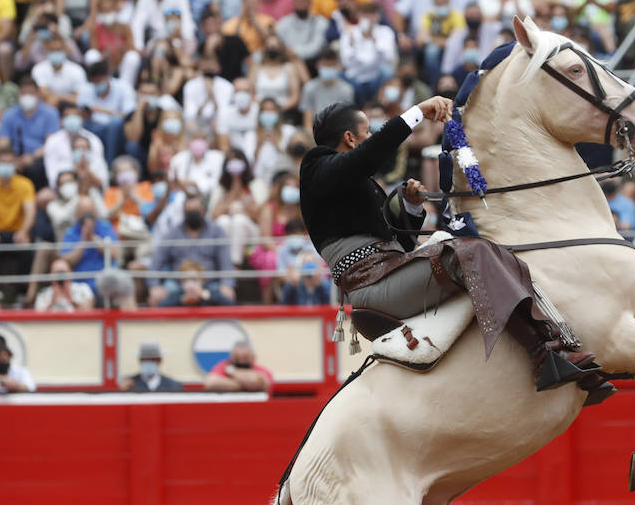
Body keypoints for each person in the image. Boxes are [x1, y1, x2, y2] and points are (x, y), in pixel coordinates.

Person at [301, 98, 610, 400]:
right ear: (350, 138)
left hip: (388, 272)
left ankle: (561, 343)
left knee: (485, 248)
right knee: (470, 254)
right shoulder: (316, 166)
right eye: (367, 132)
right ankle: (542, 355)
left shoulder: (349, 182)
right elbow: (367, 158)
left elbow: (402, 242)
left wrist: (408, 204)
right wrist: (418, 112)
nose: (370, 137)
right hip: (373, 285)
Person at [148, 193, 234, 306]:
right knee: (157, 298)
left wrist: (227, 284)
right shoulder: (172, 233)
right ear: (184, 212)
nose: (193, 214)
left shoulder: (217, 231)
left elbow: (226, 263)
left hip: (209, 284)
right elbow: (155, 263)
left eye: (196, 211)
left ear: (203, 211)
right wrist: (154, 286)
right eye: (189, 211)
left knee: (226, 296)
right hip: (177, 286)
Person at [0, 145, 37, 298]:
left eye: (9, 162)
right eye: (2, 162)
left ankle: (21, 291)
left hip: (18, 231)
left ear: (15, 164)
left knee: (25, 247)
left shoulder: (25, 184)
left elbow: (30, 212)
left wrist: (23, 231)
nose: (6, 166)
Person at [204, 339, 273, 393]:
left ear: (253, 357)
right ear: (231, 358)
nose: (241, 361)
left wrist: (232, 371)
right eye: (237, 358)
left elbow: (256, 383)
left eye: (245, 357)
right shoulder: (223, 366)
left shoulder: (262, 370)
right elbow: (210, 383)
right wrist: (246, 386)